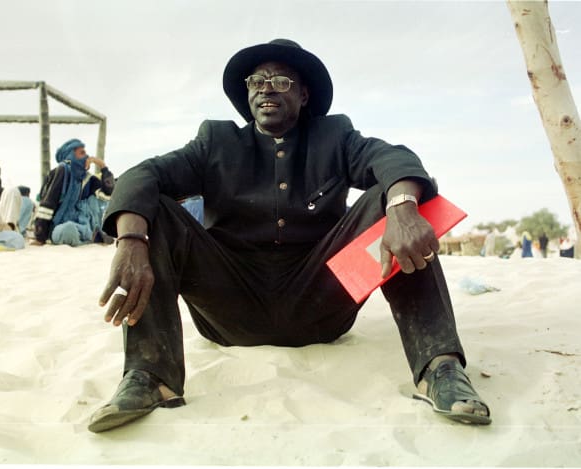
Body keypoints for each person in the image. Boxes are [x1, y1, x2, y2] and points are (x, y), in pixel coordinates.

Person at [89, 39, 491, 433]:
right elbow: (142, 175)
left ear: (303, 95)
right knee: (151, 206)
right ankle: (149, 377)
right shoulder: (217, 141)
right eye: (257, 80)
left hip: (319, 303)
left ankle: (440, 367)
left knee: (398, 202)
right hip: (230, 308)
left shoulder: (334, 137)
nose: (266, 87)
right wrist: (131, 242)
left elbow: (392, 157)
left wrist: (402, 207)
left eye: (281, 81)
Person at [33, 139, 115, 247]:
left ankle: (91, 236)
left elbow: (108, 193)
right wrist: (40, 237)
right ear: (70, 155)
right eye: (82, 153)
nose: (87, 156)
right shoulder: (62, 170)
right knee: (68, 229)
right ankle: (90, 238)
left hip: (82, 225)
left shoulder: (87, 178)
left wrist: (103, 167)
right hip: (59, 226)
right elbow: (48, 203)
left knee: (91, 205)